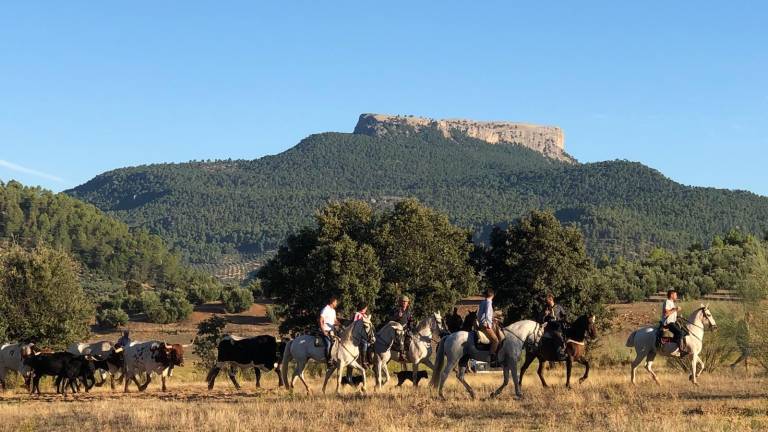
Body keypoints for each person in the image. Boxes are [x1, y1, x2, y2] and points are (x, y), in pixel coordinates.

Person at [537, 293, 568, 360]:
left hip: (558, 327)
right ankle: (540, 353)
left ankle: (561, 353)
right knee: (540, 338)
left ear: (551, 300)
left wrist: (558, 319)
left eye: (547, 301)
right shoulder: (546, 308)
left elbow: (565, 316)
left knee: (558, 337)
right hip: (549, 328)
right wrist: (544, 315)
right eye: (546, 301)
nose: (547, 302)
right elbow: (540, 319)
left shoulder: (559, 307)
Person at [478, 289, 500, 367]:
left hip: (480, 323)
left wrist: (493, 318)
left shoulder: (482, 302)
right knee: (496, 340)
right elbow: (487, 314)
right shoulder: (489, 302)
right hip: (485, 325)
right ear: (492, 295)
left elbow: (481, 314)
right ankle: (492, 358)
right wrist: (488, 323)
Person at [661, 289, 686, 356]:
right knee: (680, 333)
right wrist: (676, 309)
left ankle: (673, 347)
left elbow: (671, 313)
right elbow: (666, 313)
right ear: (672, 295)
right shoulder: (667, 301)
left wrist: (678, 316)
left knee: (684, 332)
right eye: (675, 294)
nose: (676, 296)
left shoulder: (672, 303)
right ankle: (681, 351)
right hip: (668, 323)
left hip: (673, 322)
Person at [390, 295, 414, 361]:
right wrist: (398, 316)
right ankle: (401, 355)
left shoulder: (409, 311)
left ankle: (411, 354)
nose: (404, 303)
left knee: (412, 339)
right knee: (401, 340)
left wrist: (411, 326)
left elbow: (410, 321)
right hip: (397, 329)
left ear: (408, 303)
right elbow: (392, 319)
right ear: (400, 302)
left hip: (406, 329)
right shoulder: (396, 310)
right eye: (403, 301)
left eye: (405, 302)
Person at [320, 296, 339, 366]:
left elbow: (335, 320)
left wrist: (340, 324)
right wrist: (323, 331)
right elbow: (321, 320)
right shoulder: (325, 309)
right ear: (333, 302)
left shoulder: (333, 311)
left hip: (332, 331)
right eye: (336, 302)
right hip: (325, 331)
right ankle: (328, 361)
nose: (336, 303)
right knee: (328, 344)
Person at [353, 303, 370, 368]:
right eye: (365, 308)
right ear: (362, 308)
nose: (366, 309)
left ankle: (369, 359)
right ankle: (363, 361)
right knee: (365, 343)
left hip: (365, 334)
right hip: (358, 334)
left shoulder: (365, 315)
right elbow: (355, 324)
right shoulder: (357, 314)